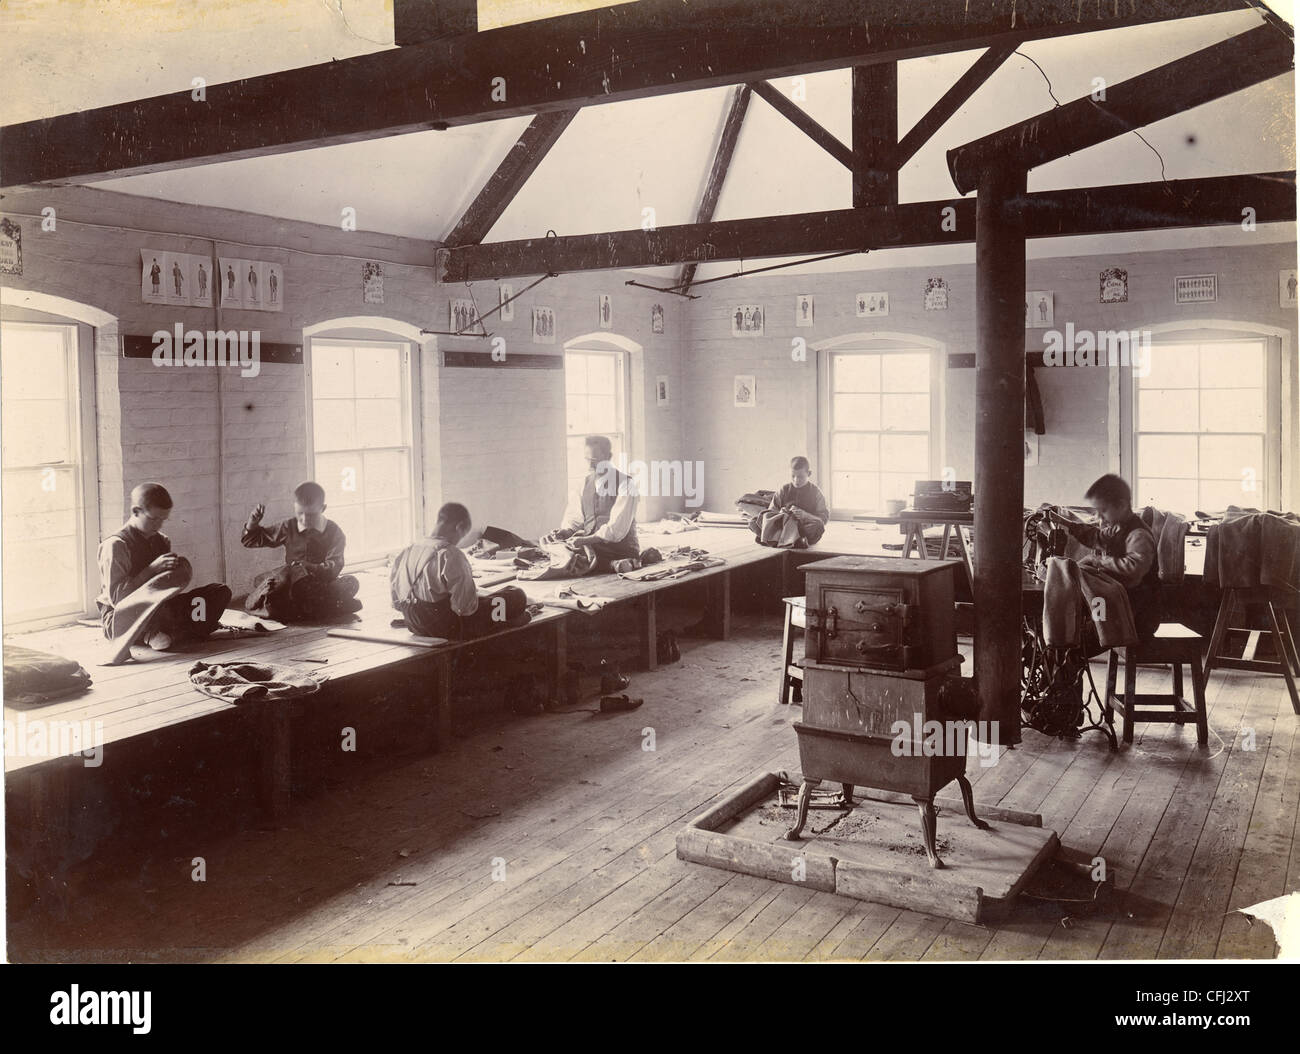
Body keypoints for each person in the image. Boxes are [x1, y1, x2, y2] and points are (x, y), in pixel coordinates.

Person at [96, 482, 230, 652]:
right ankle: (169, 633)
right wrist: (152, 569)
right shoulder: (116, 545)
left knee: (218, 592)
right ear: (136, 512)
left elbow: (165, 589)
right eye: (153, 519)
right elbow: (119, 599)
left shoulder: (162, 540)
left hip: (159, 606)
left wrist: (177, 571)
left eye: (163, 520)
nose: (158, 525)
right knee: (150, 617)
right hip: (124, 615)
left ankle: (173, 633)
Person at [390, 502, 528, 639]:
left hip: (414, 624)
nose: (459, 541)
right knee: (515, 596)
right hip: (450, 628)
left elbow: (396, 602)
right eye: (462, 535)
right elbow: (465, 608)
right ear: (459, 527)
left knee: (488, 599)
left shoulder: (407, 551)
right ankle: (502, 622)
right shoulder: (449, 554)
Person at [1051, 473, 1160, 642]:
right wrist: (1065, 523)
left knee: (1086, 630)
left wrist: (1097, 561)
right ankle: (1070, 654)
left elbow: (1134, 566)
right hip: (1125, 601)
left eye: (1103, 510)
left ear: (1122, 505)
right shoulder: (1117, 528)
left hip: (1140, 611)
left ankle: (1073, 655)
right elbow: (1096, 537)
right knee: (1082, 619)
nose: (1099, 517)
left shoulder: (1138, 534)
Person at [241, 481, 362, 621]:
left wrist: (308, 567)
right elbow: (250, 541)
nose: (304, 519)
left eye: (311, 515)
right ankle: (329, 607)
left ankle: (302, 608)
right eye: (300, 513)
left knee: (351, 582)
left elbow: (334, 566)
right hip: (292, 584)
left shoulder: (334, 531)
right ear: (294, 507)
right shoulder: (288, 526)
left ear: (323, 508)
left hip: (320, 583)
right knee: (287, 578)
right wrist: (252, 523)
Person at [541, 435, 640, 572]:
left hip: (620, 548)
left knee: (572, 561)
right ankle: (610, 565)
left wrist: (585, 540)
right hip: (593, 548)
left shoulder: (626, 484)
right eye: (587, 459)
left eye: (594, 460)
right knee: (553, 547)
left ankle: (614, 564)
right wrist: (565, 532)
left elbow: (617, 529)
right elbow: (575, 521)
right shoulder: (583, 485)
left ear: (608, 457)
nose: (589, 465)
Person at [768, 456, 830, 546]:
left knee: (818, 526)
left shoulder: (815, 492)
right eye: (793, 476)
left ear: (809, 474)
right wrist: (780, 514)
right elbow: (771, 512)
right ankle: (791, 540)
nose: (796, 480)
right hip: (785, 527)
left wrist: (806, 516)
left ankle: (794, 540)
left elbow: (823, 519)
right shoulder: (783, 490)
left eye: (800, 477)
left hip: (804, 528)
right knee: (757, 520)